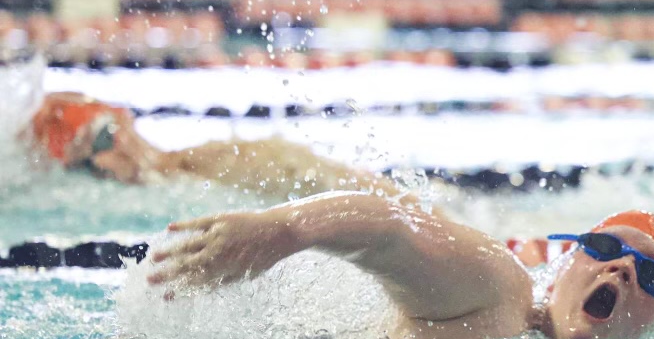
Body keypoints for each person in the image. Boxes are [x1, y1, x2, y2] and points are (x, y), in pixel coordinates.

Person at [146, 192, 654, 339]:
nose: (620, 266)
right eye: (604, 246)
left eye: (653, 277)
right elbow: (398, 230)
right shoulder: (503, 292)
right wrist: (285, 230)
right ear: (563, 262)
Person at [27, 92, 403, 199]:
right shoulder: (175, 183)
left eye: (107, 137)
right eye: (87, 166)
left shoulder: (214, 165)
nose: (107, 163)